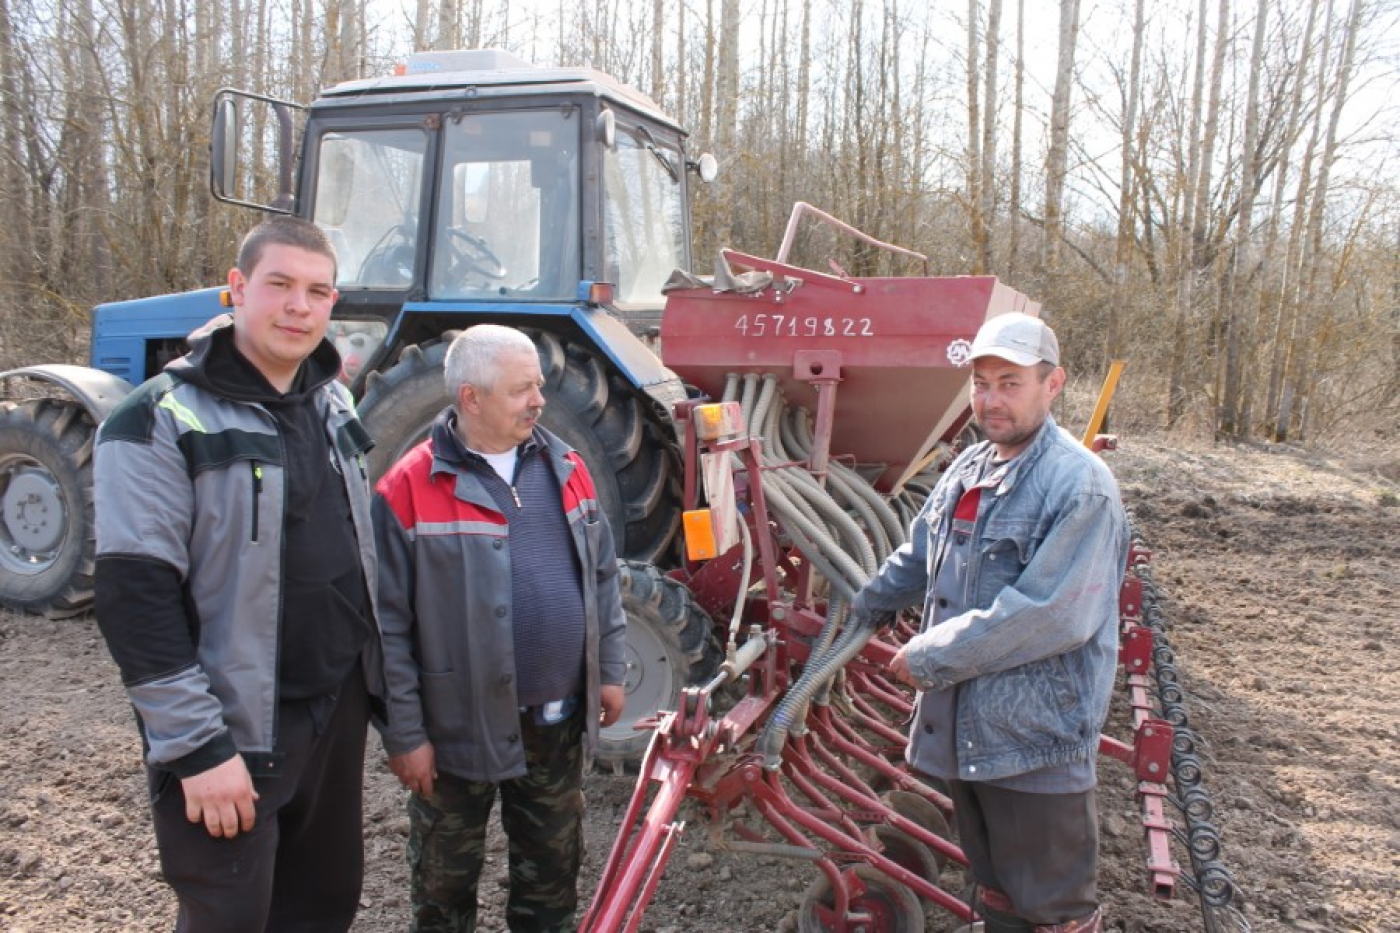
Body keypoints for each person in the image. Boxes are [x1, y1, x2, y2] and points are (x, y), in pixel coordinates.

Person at [93, 216, 385, 932]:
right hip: (234, 727)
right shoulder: (158, 419)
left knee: (321, 906)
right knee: (229, 916)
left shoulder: (334, 403)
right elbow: (136, 599)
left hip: (331, 714)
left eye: (317, 291)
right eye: (279, 285)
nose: (298, 306)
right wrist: (198, 748)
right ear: (236, 288)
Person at [851, 312, 1129, 933]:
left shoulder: (1079, 485)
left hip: (1034, 744)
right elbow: (922, 550)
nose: (991, 399)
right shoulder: (971, 465)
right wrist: (866, 604)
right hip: (968, 735)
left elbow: (1051, 613)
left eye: (1010, 382)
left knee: (1053, 912)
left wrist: (930, 655)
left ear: (1052, 384)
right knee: (997, 894)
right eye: (981, 384)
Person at [373, 323, 627, 933]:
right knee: (443, 882)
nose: (538, 400)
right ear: (471, 398)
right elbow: (386, 627)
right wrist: (404, 733)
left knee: (552, 874)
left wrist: (610, 671)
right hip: (456, 728)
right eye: (521, 390)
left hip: (557, 722)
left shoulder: (567, 466)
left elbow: (603, 577)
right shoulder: (408, 487)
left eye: (538, 385)